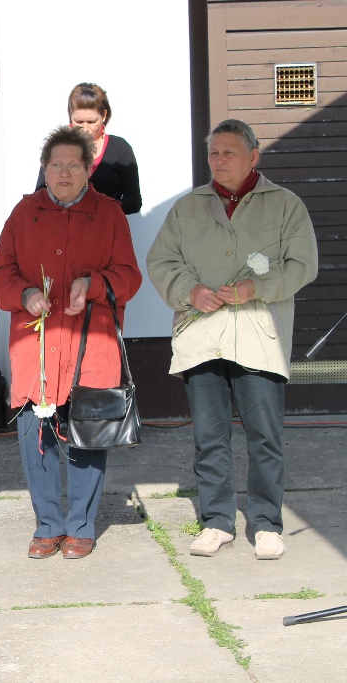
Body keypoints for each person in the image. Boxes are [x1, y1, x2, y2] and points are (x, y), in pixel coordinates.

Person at [147, 119, 318, 560]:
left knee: (265, 436)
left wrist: (256, 287)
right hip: (202, 336)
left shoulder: (285, 204)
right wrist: (190, 291)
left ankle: (266, 523)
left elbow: (303, 264)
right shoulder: (188, 207)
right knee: (210, 436)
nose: (219, 160)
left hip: (260, 336)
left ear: (253, 156)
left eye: (229, 152)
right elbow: (162, 260)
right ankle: (217, 521)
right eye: (213, 153)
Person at [0, 125, 141, 560]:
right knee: (36, 437)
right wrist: (24, 294)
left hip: (89, 345)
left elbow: (129, 276)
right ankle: (47, 525)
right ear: (45, 168)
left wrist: (93, 284)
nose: (65, 173)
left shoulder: (109, 213)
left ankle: (81, 527)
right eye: (56, 165)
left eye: (74, 165)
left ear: (89, 169)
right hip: (35, 347)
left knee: (88, 435)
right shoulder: (24, 213)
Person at [35, 83, 142, 215]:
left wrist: (99, 208)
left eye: (91, 122)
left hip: (104, 225)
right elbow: (39, 195)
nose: (85, 128)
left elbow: (134, 202)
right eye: (79, 122)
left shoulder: (120, 148)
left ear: (104, 115)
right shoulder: (57, 148)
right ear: (70, 114)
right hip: (61, 224)